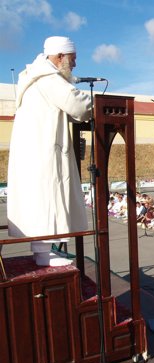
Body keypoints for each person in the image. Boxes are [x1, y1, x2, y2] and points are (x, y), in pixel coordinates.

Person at [7, 36, 92, 266]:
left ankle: (43, 251)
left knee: (41, 202)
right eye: (72, 59)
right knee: (47, 201)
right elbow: (77, 104)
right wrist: (98, 101)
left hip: (36, 153)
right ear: (60, 57)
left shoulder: (35, 78)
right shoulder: (48, 79)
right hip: (43, 155)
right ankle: (48, 254)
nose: (74, 64)